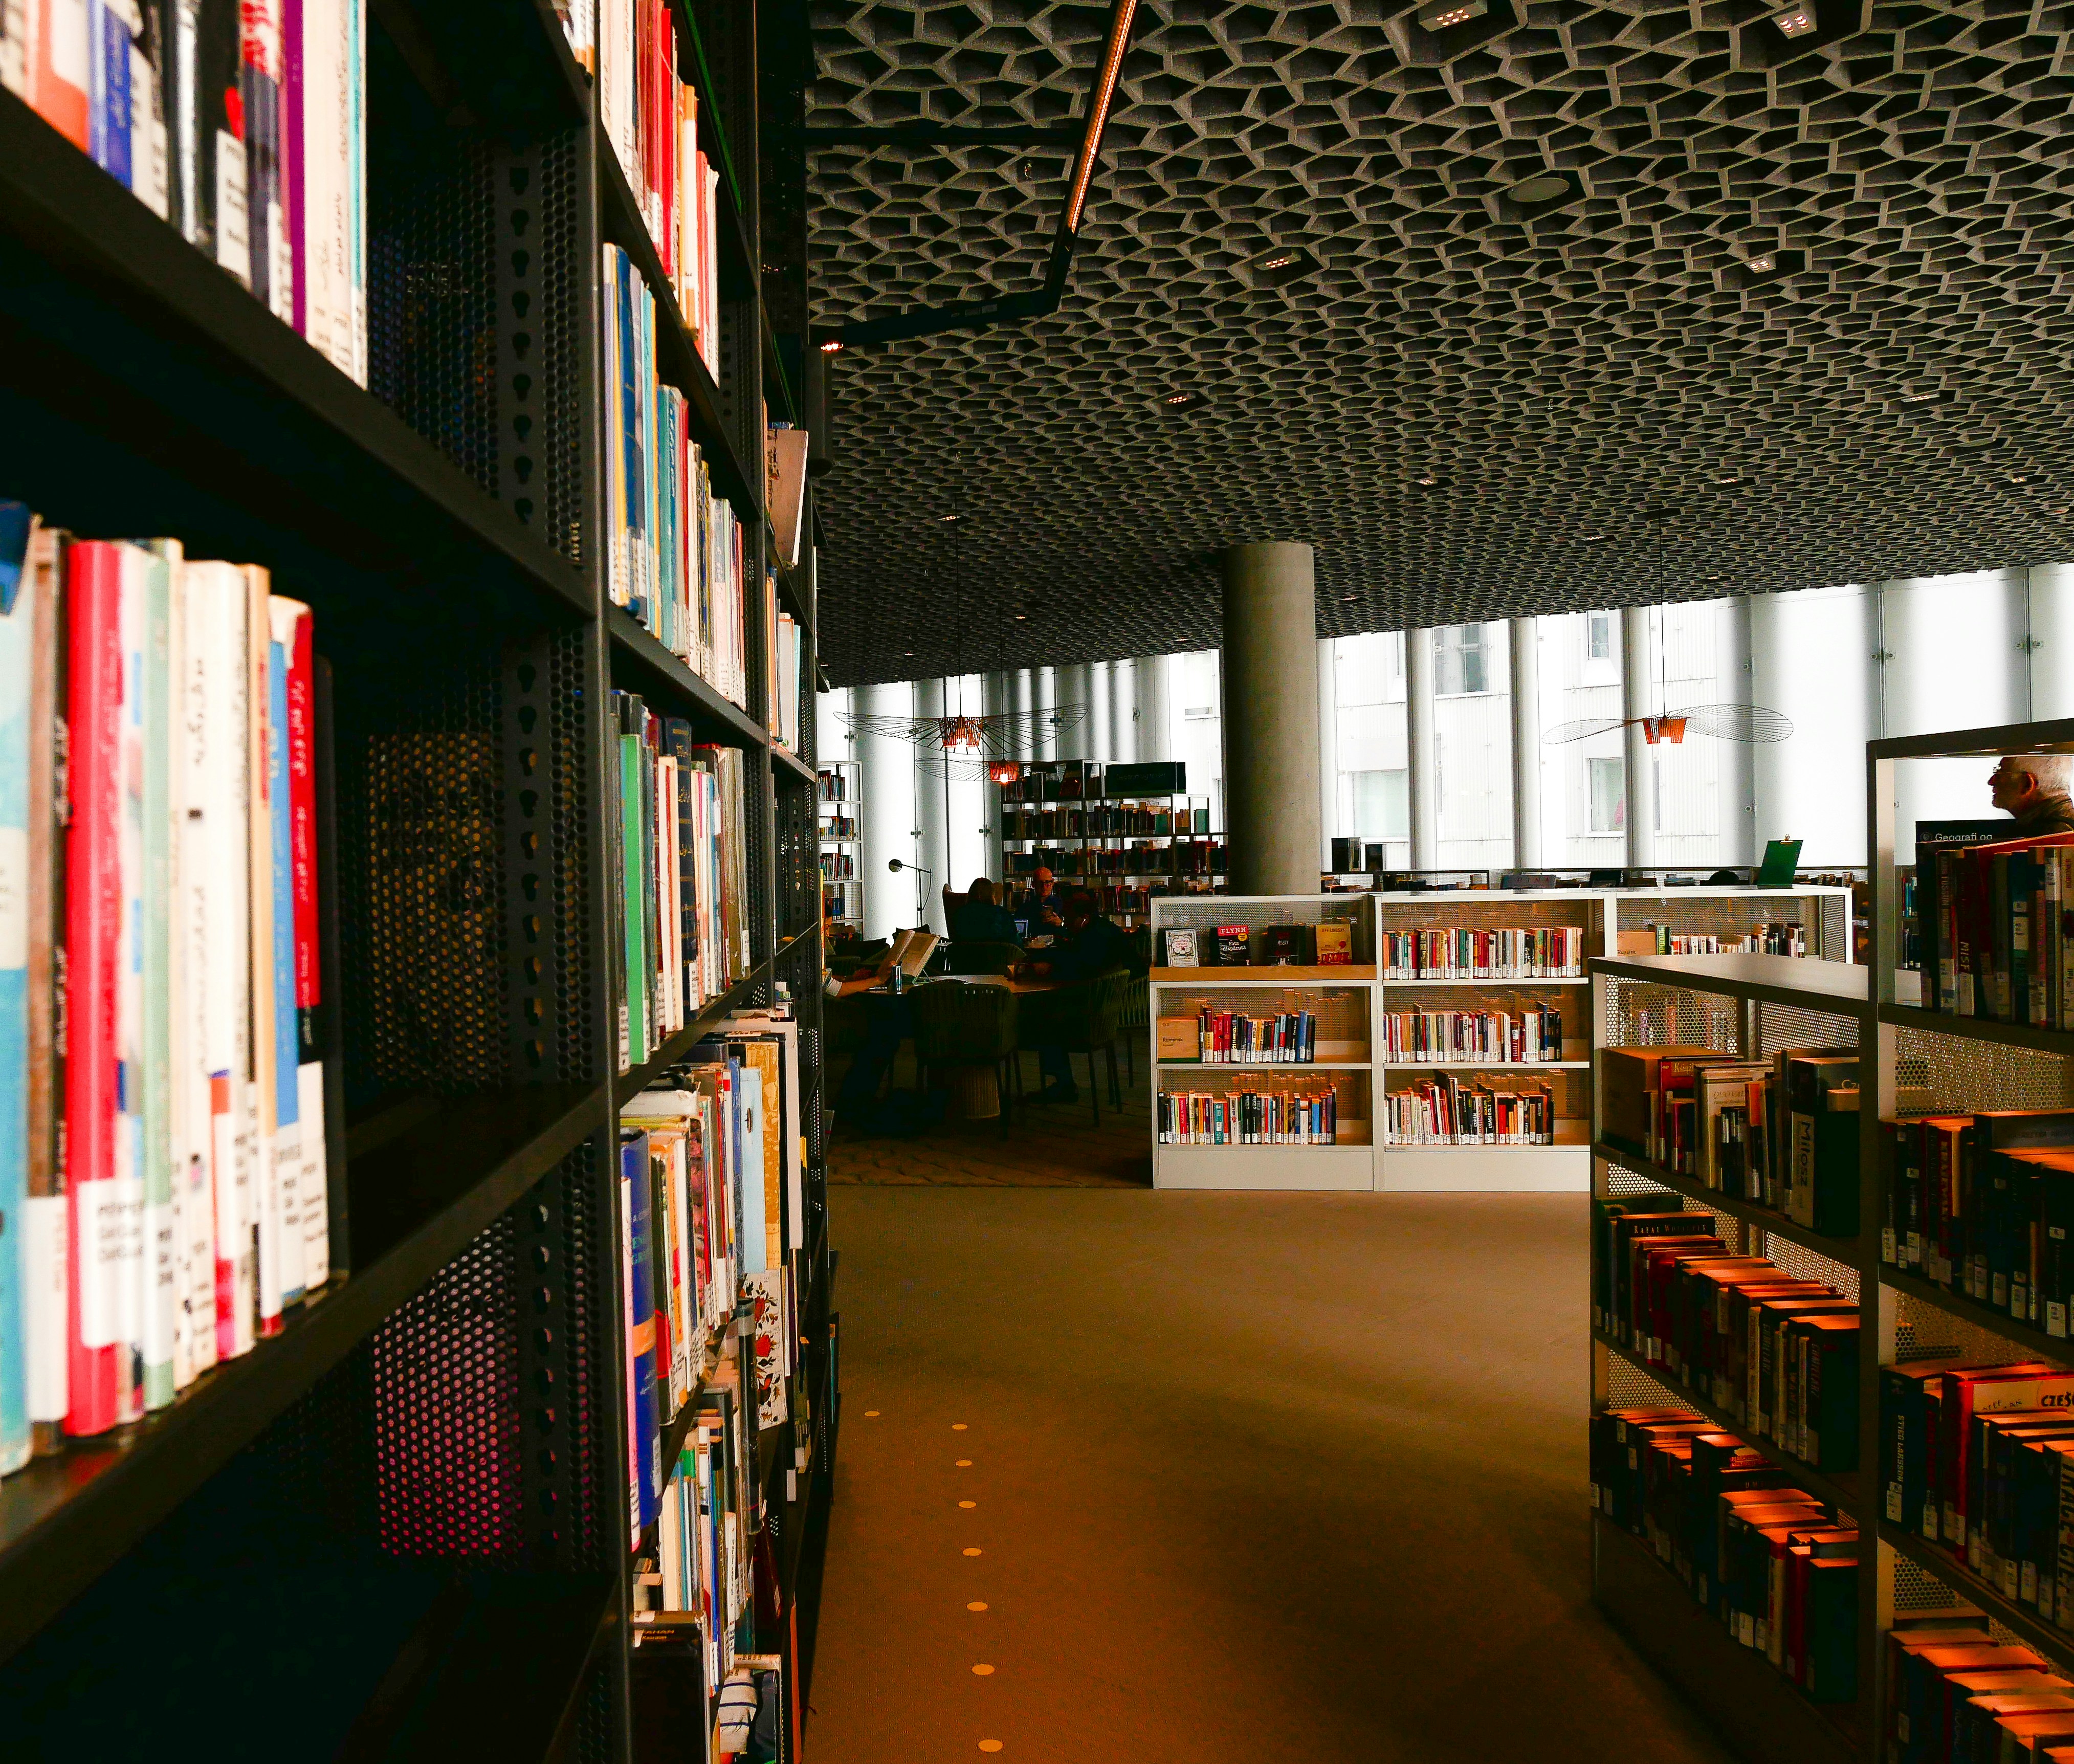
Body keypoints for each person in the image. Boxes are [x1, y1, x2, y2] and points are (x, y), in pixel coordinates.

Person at [1030, 890, 1130, 1105]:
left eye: (1068, 919)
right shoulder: (1104, 929)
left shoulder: (1091, 938)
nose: (1066, 924)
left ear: (1083, 919)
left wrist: (1048, 968)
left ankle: (1063, 1083)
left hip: (1089, 1016)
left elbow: (1077, 969)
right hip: (1108, 1010)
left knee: (1042, 1019)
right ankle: (1062, 1082)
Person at [1990, 753, 2074, 836]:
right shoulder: (2062, 830)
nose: (1991, 782)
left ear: (2027, 784)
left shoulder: (2044, 839)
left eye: (2000, 773)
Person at [949, 877, 1021, 944]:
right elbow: (1015, 941)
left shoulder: (960, 914)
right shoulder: (1002, 914)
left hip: (966, 957)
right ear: (992, 895)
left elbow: (956, 939)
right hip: (998, 956)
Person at [1016, 866, 1066, 933]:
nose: (1044, 887)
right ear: (1033, 884)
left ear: (1052, 883)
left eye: (1047, 882)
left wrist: (1060, 923)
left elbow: (1071, 929)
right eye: (1040, 883)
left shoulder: (1063, 905)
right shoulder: (1025, 908)